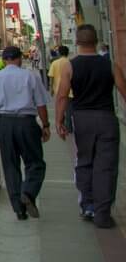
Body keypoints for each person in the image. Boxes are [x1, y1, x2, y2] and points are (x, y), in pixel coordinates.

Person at [55, 25, 126, 228]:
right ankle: (103, 213)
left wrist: (59, 122)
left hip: (82, 118)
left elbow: (61, 96)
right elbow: (123, 89)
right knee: (107, 166)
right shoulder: (111, 65)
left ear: (77, 42)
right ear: (96, 41)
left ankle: (88, 206)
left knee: (85, 161)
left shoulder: (70, 66)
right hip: (106, 118)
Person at [0, 46, 51, 220]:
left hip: (5, 124)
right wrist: (46, 125)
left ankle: (19, 209)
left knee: (10, 165)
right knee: (35, 163)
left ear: (4, 60)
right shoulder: (30, 76)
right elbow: (41, 104)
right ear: (20, 59)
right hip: (27, 123)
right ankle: (28, 191)